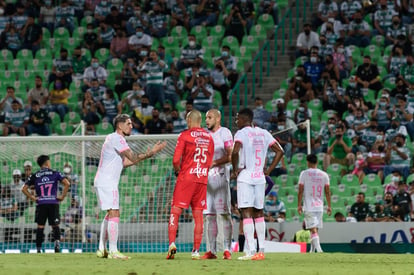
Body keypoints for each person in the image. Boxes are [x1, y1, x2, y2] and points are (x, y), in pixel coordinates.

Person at [94, 114, 166, 259]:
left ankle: (102, 249)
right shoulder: (117, 138)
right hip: (107, 181)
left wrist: (147, 155)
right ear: (120, 126)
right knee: (115, 213)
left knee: (110, 213)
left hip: (104, 180)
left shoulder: (113, 139)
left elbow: (126, 162)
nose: (131, 126)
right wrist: (151, 152)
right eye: (128, 123)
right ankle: (113, 251)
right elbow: (133, 157)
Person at [231, 108, 284, 260]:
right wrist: (268, 171)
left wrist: (235, 170)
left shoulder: (241, 133)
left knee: (246, 212)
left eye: (237, 118)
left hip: (246, 176)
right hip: (260, 176)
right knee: (259, 213)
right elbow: (280, 151)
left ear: (244, 118)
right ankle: (262, 250)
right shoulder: (264, 132)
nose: (236, 121)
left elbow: (235, 152)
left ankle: (250, 251)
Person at [167, 110, 215, 260]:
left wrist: (177, 171)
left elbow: (176, 160)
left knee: (175, 210)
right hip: (201, 179)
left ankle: (172, 244)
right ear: (200, 120)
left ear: (189, 120)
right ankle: (195, 251)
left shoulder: (185, 135)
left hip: (186, 178)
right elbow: (210, 161)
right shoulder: (209, 137)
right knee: (198, 215)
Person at [21, 155, 71, 253]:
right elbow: (67, 184)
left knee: (40, 226)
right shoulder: (55, 172)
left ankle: (39, 249)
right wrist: (62, 196)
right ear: (47, 163)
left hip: (41, 203)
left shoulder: (35, 175)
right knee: (55, 225)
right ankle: (57, 244)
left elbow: (23, 189)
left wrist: (33, 198)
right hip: (53, 202)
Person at [202, 109, 233, 260]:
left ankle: (227, 249)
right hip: (206, 180)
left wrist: (214, 163)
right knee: (209, 216)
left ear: (218, 118)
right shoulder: (204, 135)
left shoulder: (225, 133)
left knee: (224, 214)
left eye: (210, 117)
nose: (206, 120)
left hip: (221, 178)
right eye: (206, 118)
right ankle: (211, 250)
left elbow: (231, 155)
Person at [297, 154, 331, 253]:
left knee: (313, 229)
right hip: (319, 206)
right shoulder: (324, 175)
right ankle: (312, 250)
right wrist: (329, 206)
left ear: (308, 162)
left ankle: (319, 250)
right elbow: (327, 191)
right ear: (317, 162)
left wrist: (299, 204)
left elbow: (300, 190)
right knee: (315, 228)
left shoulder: (304, 173)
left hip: (309, 206)